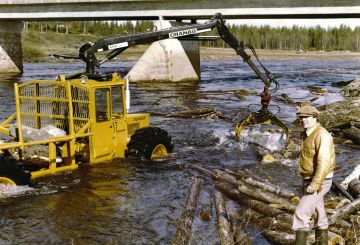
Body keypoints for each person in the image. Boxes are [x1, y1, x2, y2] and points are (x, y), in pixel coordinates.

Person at [293, 105, 336, 245]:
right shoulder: (308, 133)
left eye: (307, 117)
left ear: (315, 117)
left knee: (301, 215)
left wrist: (315, 184)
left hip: (319, 181)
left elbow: (324, 162)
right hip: (309, 179)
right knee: (319, 216)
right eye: (301, 118)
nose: (303, 120)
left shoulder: (321, 135)